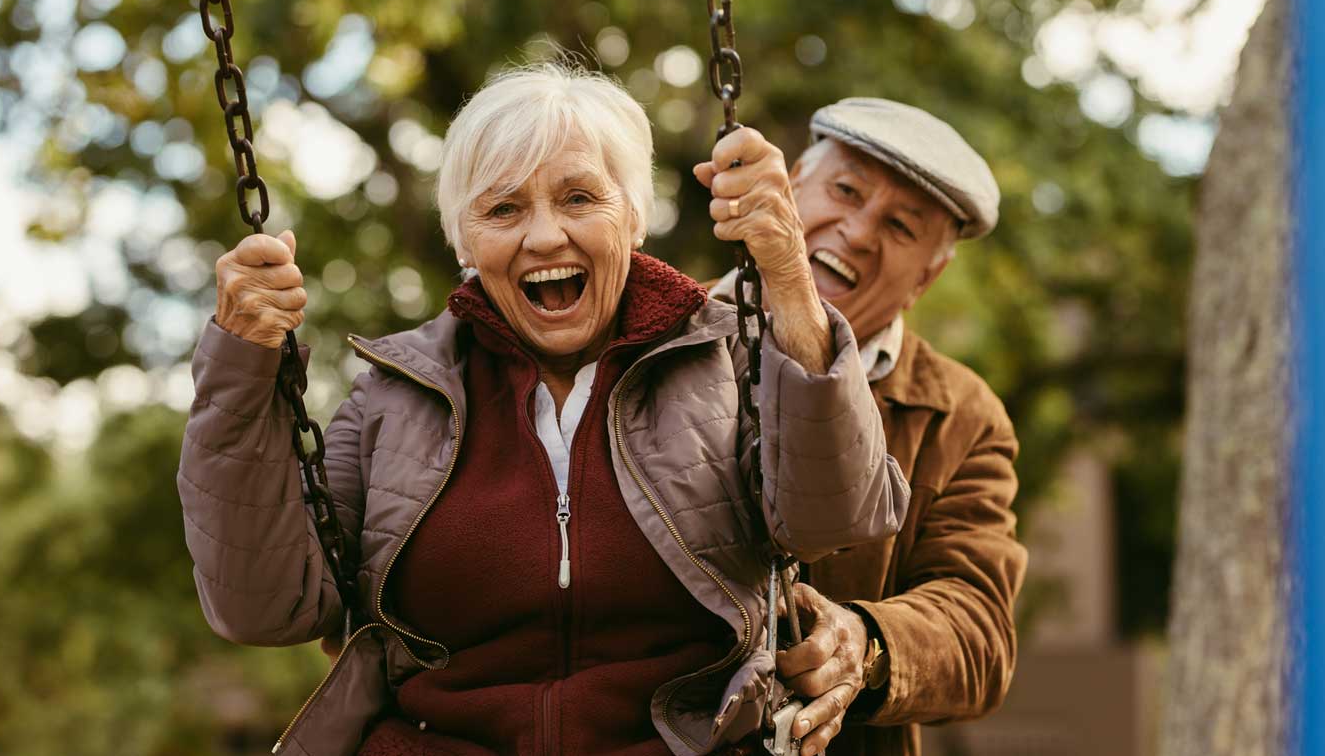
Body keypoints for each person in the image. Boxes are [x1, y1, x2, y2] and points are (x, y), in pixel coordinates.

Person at [176, 64, 907, 756]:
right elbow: (264, 608)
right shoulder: (393, 395)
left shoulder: (724, 361)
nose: (545, 235)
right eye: (503, 208)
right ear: (466, 239)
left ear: (634, 218)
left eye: (580, 199)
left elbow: (836, 518)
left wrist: (786, 278)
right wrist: (241, 363)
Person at [699, 98, 1027, 755]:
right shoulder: (660, 337)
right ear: (790, 186)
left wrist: (867, 642)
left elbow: (980, 630)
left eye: (901, 227)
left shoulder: (961, 416)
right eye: (846, 191)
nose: (859, 231)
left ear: (928, 277)